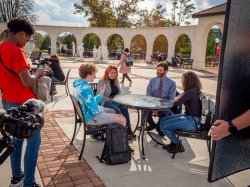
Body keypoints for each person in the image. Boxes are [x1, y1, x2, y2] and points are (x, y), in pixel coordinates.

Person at [0, 18, 45, 187]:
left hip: (7, 100)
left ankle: (16, 177)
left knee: (16, 140)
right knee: (34, 141)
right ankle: (29, 183)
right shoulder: (16, 52)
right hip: (24, 104)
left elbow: (11, 74)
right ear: (21, 34)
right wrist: (38, 74)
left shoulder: (1, 48)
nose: (26, 43)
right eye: (26, 39)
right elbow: (27, 81)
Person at [160, 71, 202, 153]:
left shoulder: (191, 92)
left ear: (188, 80)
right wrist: (176, 99)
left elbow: (176, 102)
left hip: (193, 122)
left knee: (164, 127)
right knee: (163, 120)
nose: (181, 81)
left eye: (183, 79)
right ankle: (173, 142)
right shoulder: (192, 90)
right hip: (189, 118)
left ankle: (178, 145)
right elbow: (177, 98)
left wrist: (176, 99)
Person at [97, 65, 134, 139]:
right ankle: (121, 129)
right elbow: (100, 96)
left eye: (115, 73)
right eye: (111, 72)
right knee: (116, 109)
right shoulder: (101, 81)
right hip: (105, 101)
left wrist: (120, 100)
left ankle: (127, 128)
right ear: (107, 73)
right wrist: (111, 100)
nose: (113, 74)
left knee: (124, 108)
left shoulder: (116, 81)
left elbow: (119, 93)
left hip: (115, 100)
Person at [146, 62, 176, 136]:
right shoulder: (152, 80)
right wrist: (154, 106)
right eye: (157, 70)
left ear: (166, 71)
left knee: (164, 115)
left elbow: (171, 98)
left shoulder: (172, 83)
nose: (158, 72)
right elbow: (148, 93)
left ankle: (159, 126)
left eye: (160, 70)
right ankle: (154, 126)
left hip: (165, 104)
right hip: (153, 102)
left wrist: (160, 107)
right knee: (145, 113)